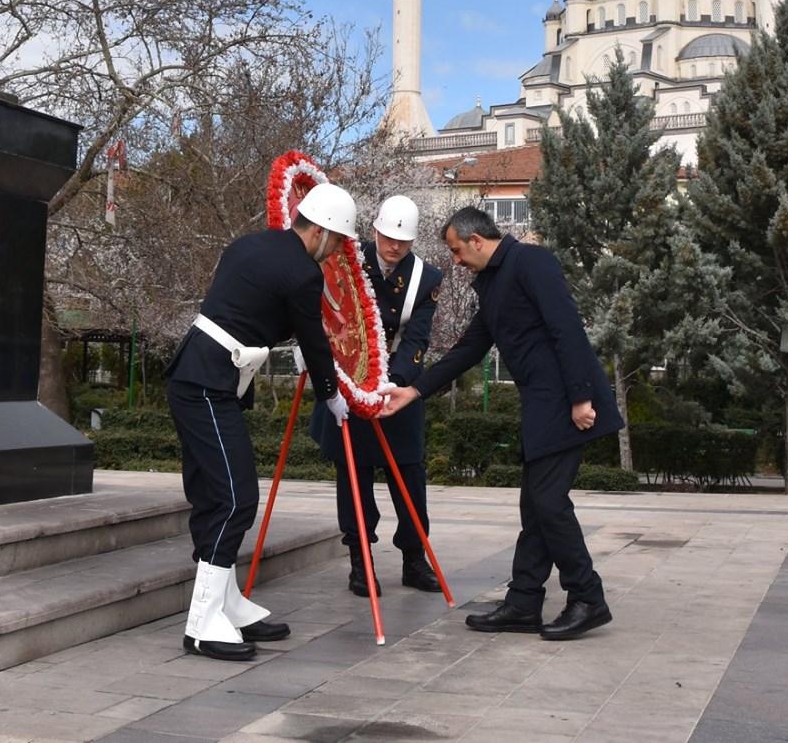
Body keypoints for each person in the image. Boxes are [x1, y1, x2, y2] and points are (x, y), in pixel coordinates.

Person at [379, 206, 623, 642]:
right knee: (535, 505)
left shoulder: (531, 261)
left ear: (476, 240)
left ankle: (587, 596)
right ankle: (524, 602)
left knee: (547, 503)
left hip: (568, 401)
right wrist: (413, 391)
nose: (453, 260)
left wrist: (582, 396)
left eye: (456, 250)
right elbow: (468, 348)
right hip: (542, 403)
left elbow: (567, 327)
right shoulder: (492, 283)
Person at [167, 182, 355, 661]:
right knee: (234, 498)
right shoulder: (301, 272)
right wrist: (332, 394)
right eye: (335, 242)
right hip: (210, 383)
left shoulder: (252, 245)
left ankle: (226, 602)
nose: (334, 253)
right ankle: (203, 623)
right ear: (319, 232)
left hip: (200, 378)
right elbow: (312, 339)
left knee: (214, 496)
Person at [309, 194, 443, 595]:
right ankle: (359, 560)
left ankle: (414, 558)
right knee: (354, 477)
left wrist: (392, 385)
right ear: (374, 230)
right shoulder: (345, 261)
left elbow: (416, 337)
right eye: (388, 236)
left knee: (409, 475)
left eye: (403, 240)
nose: (394, 246)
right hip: (348, 385)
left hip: (395, 389)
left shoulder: (426, 278)